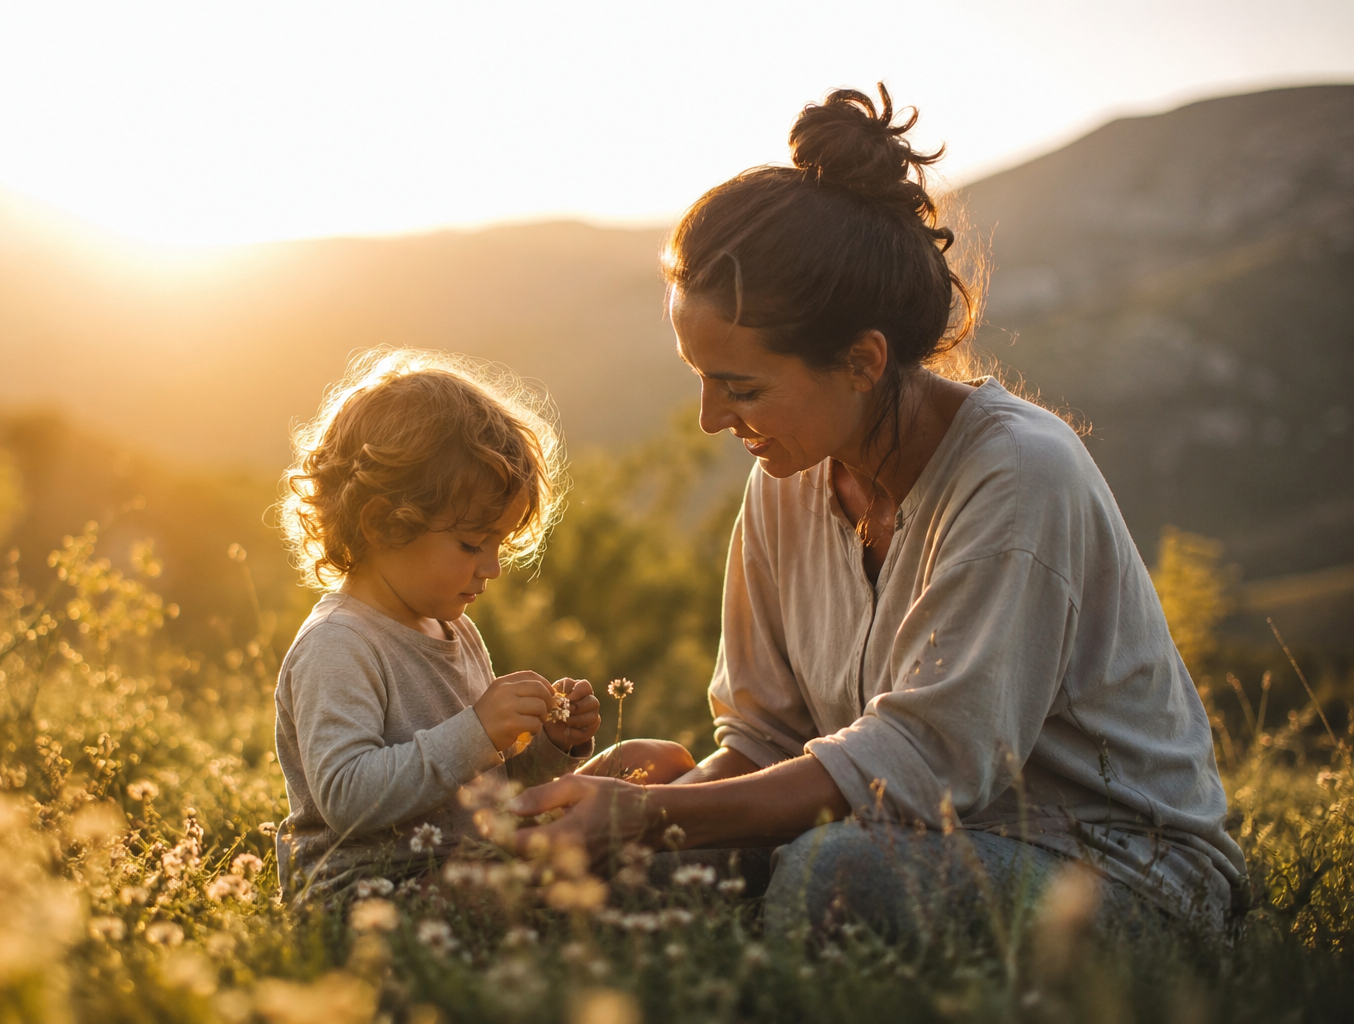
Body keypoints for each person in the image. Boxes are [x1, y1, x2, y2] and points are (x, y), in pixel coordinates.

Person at [511, 86, 1247, 938]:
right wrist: (651, 803)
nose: (712, 419)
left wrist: (647, 818)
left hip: (1114, 868)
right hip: (905, 834)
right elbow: (765, 739)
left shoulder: (1016, 475)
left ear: (863, 360)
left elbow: (928, 763)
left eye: (742, 387)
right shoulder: (785, 481)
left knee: (834, 875)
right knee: (628, 872)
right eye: (700, 378)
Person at [271, 349, 605, 899]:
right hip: (366, 885)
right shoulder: (339, 644)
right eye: (473, 543)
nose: (493, 567)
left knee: (649, 759)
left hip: (462, 858)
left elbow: (475, 788)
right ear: (382, 523)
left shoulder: (454, 629)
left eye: (499, 543)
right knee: (543, 881)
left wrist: (548, 747)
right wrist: (477, 730)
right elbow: (346, 796)